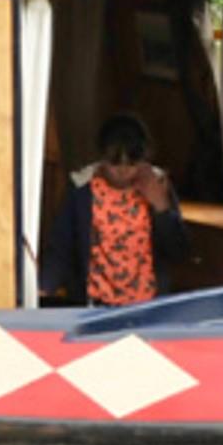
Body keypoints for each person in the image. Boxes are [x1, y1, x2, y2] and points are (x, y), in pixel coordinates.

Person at [40, 113, 191, 306]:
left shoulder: (158, 184)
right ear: (102, 157)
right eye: (114, 162)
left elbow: (179, 251)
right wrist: (44, 287)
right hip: (94, 304)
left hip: (147, 307)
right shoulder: (81, 188)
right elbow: (61, 246)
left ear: (145, 158)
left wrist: (161, 207)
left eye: (132, 162)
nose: (123, 170)